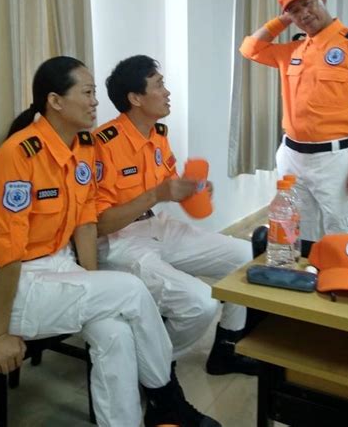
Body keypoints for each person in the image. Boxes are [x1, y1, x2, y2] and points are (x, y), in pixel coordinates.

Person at [0, 56, 220, 427]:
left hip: (57, 266)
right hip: (1, 284)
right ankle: (167, 400)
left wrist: (94, 283)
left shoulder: (83, 148)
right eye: (87, 93)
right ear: (55, 101)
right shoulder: (19, 155)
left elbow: (86, 224)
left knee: (116, 332)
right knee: (131, 290)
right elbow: (8, 254)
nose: (95, 102)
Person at [94, 55, 257, 377]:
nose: (167, 92)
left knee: (247, 257)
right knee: (201, 303)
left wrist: (194, 190)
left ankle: (226, 350)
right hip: (119, 241)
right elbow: (98, 224)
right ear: (135, 98)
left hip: (157, 226)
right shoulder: (102, 145)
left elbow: (169, 188)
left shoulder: (157, 134)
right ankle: (152, 370)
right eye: (159, 85)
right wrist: (156, 195)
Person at [240, 0, 348, 241]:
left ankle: (342, 270)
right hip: (292, 157)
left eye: (307, 4)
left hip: (335, 159)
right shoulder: (293, 50)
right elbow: (250, 48)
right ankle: (307, 267)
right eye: (295, 10)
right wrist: (284, 20)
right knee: (296, 229)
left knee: (343, 230)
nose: (304, 14)